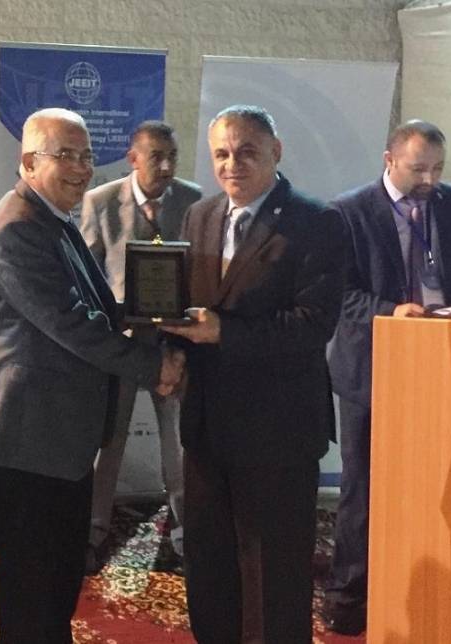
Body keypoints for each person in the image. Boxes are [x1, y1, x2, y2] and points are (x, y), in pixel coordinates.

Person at [0, 107, 184, 644]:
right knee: (34, 591)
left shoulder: (52, 220)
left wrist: (165, 314)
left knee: (56, 581)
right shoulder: (17, 230)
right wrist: (154, 365)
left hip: (56, 438)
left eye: (87, 156)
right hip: (27, 441)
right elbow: (71, 325)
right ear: (28, 162)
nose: (82, 168)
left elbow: (97, 310)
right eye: (66, 155)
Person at [161, 105, 344, 644]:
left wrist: (225, 332)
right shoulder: (199, 216)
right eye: (221, 153)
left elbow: (314, 324)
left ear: (275, 152)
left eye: (246, 152)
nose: (231, 164)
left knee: (275, 575)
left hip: (278, 432)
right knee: (209, 564)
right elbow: (187, 306)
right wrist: (168, 349)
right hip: (206, 425)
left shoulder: (317, 221)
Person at [322, 119, 451, 635]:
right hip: (373, 366)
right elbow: (339, 295)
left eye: (438, 169)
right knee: (364, 486)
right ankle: (348, 596)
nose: (430, 180)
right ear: (389, 160)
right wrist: (391, 312)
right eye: (419, 168)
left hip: (447, 360)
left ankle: (431, 586)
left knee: (441, 483)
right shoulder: (349, 211)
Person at [79, 120, 201, 566]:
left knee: (180, 442)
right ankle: (93, 530)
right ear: (133, 158)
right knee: (108, 440)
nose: (166, 167)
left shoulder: (193, 199)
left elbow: (200, 273)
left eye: (173, 157)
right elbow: (89, 275)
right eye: (156, 157)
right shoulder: (100, 201)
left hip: (175, 344)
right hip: (121, 345)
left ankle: (186, 532)